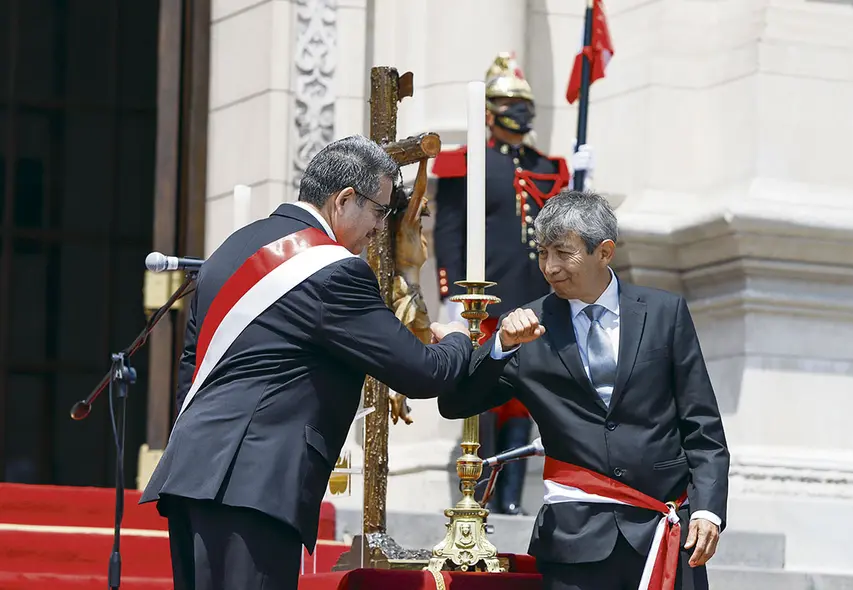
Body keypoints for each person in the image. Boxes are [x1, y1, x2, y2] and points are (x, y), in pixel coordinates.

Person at [140, 135, 472, 590]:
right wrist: (458, 338)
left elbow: (190, 364)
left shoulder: (231, 249)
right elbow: (420, 371)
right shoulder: (334, 271)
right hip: (256, 484)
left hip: (192, 472)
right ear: (345, 200)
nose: (381, 228)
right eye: (379, 211)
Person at [438, 191, 730, 590]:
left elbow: (702, 426)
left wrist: (709, 512)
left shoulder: (665, 314)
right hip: (575, 544)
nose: (550, 268)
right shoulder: (524, 327)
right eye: (543, 253)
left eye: (563, 252)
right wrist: (501, 347)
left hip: (664, 533)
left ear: (604, 252)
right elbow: (457, 403)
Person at [432, 53, 591, 514]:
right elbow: (448, 232)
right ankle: (475, 495)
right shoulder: (467, 163)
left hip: (535, 297)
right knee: (483, 395)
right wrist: (449, 292)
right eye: (505, 102)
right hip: (484, 296)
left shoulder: (549, 167)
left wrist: (581, 181)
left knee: (523, 399)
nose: (516, 112)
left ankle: (511, 500)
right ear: (488, 109)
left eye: (521, 103)